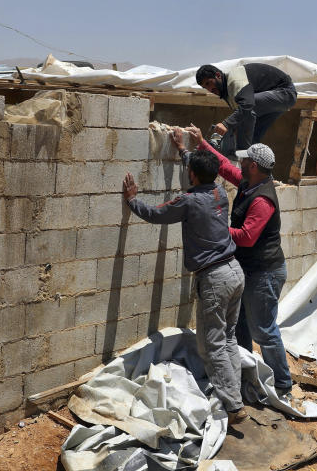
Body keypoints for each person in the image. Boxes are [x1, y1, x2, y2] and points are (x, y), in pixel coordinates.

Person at [121, 140, 247, 423]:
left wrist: (132, 201)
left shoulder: (188, 201)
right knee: (228, 338)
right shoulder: (220, 192)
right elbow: (203, 170)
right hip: (235, 271)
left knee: (211, 345)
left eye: (190, 168)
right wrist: (183, 151)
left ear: (192, 174)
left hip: (214, 278)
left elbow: (157, 214)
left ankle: (235, 406)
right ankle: (235, 395)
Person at [183, 126, 293, 398]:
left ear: (253, 165)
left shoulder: (263, 200)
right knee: (240, 327)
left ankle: (282, 385)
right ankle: (247, 378)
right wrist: (201, 145)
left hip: (264, 273)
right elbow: (223, 168)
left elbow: (246, 237)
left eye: (244, 161)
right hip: (248, 270)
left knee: (263, 331)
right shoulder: (249, 182)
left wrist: (215, 226)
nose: (239, 164)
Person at [195, 63, 298, 152]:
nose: (209, 89)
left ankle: (242, 155)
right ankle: (252, 163)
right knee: (252, 137)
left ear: (218, 75)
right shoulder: (228, 93)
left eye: (208, 83)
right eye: (205, 87)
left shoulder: (235, 80)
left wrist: (226, 124)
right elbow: (241, 115)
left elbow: (247, 105)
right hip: (275, 100)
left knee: (248, 109)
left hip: (285, 93)